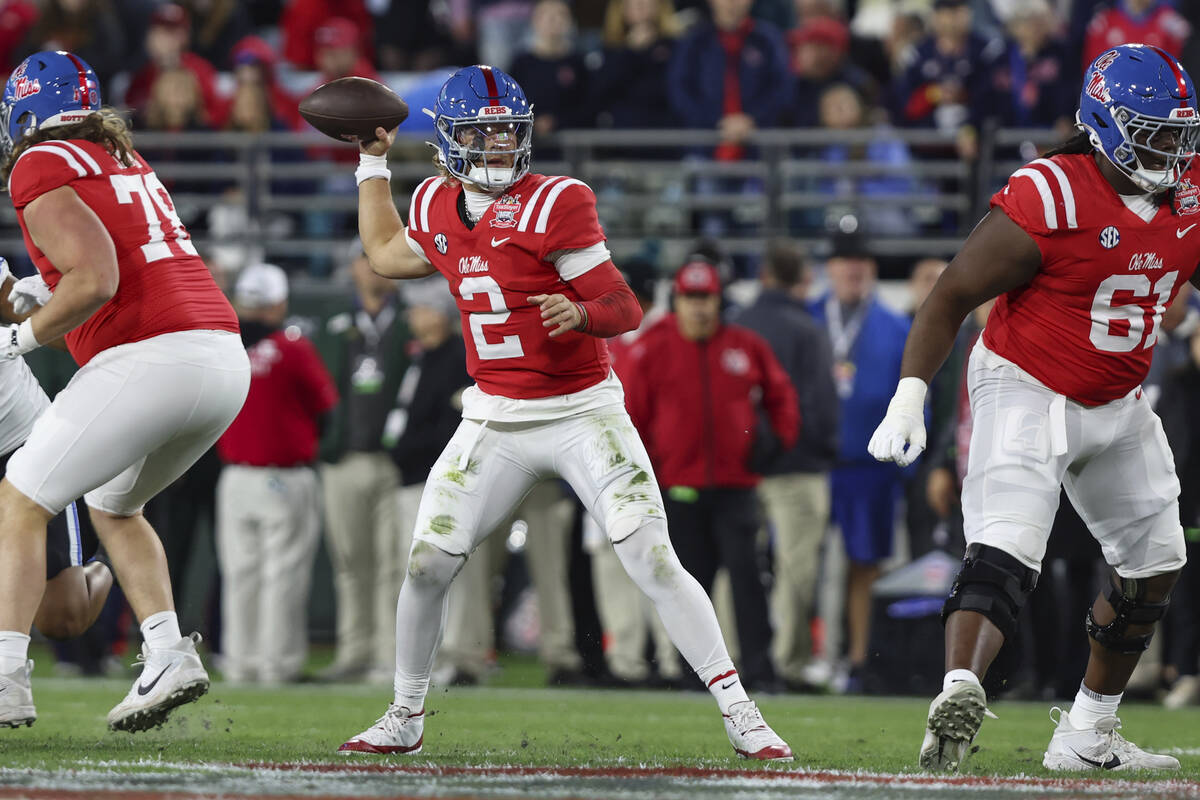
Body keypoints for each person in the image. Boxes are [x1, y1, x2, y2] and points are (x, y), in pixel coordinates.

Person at [338, 64, 792, 760]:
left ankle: (740, 710)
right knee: (427, 562)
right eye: (481, 136)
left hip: (581, 410)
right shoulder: (431, 203)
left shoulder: (557, 202)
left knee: (650, 554)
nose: (495, 149)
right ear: (449, 142)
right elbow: (385, 253)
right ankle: (405, 712)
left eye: (505, 135)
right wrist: (372, 160)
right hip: (494, 415)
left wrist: (579, 310)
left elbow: (625, 307)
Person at [869, 43, 1197, 772]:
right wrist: (910, 396)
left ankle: (1087, 734)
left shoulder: (1192, 188)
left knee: (1157, 563)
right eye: (1154, 130)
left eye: (1181, 132)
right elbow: (952, 293)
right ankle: (960, 687)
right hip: (1027, 382)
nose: (1172, 148)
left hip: (1117, 396)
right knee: (1007, 548)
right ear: (1107, 125)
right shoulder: (1051, 193)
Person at [0, 51, 249, 732]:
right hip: (221, 358)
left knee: (19, 503)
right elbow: (119, 262)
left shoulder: (38, 162)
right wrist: (35, 290)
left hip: (151, 356)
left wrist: (18, 340)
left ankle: (5, 679)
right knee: (115, 504)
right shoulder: (122, 158)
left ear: (25, 114)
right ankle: (168, 651)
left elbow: (98, 279)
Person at [626, 259, 799, 691]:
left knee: (748, 583)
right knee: (687, 587)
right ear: (677, 300)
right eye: (691, 298)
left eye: (707, 299)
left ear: (719, 301)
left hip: (735, 487)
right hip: (679, 490)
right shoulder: (651, 347)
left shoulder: (746, 345)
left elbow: (783, 398)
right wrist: (649, 473)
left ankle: (759, 669)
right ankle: (692, 674)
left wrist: (775, 444)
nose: (700, 308)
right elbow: (631, 417)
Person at [215, 263, 338, 684]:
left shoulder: (223, 345)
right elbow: (325, 410)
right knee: (282, 574)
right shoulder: (292, 348)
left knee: (240, 574)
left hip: (234, 476)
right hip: (284, 477)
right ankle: (276, 664)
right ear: (280, 302)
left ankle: (240, 661)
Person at [729, 240, 837, 691]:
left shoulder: (737, 324)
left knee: (734, 567)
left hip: (740, 469)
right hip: (797, 467)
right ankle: (786, 663)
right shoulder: (807, 328)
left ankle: (731, 658)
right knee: (795, 568)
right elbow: (820, 404)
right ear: (801, 279)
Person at [809, 221, 909, 693]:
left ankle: (857, 659)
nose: (853, 271)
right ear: (829, 269)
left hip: (870, 468)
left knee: (864, 566)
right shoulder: (808, 319)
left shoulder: (895, 325)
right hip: (814, 464)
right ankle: (816, 655)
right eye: (845, 262)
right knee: (809, 564)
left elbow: (912, 392)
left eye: (861, 263)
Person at [317, 248, 408, 684]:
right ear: (352, 267)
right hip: (344, 460)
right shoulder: (335, 325)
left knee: (395, 563)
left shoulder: (410, 321)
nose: (374, 267)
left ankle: (389, 657)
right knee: (351, 562)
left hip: (393, 463)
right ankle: (353, 652)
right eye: (365, 259)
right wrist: (326, 443)